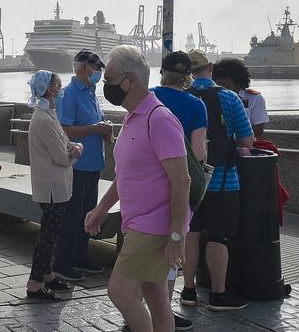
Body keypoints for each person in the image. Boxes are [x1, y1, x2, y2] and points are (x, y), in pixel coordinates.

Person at [84, 45, 194, 332]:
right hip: (138, 224)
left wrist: (176, 235)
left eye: (109, 79)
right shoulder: (134, 117)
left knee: (120, 291)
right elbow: (127, 176)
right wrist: (101, 209)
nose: (105, 85)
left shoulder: (160, 119)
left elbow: (182, 181)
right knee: (157, 299)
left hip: (153, 227)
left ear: (130, 80)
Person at [181, 50, 255, 312]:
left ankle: (188, 290)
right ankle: (218, 295)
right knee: (219, 237)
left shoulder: (182, 98)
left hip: (188, 181)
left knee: (191, 234)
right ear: (210, 68)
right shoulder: (229, 97)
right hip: (223, 180)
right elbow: (247, 140)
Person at [151, 51, 210, 299]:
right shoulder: (196, 105)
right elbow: (198, 151)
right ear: (187, 77)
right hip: (179, 184)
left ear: (163, 73)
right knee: (174, 246)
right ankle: (164, 308)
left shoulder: (149, 97)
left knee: (144, 244)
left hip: (147, 182)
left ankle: (137, 311)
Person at [54, 49, 114, 282]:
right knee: (71, 216)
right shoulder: (69, 94)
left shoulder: (90, 92)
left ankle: (80, 256)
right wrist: (94, 128)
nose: (99, 72)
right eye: (95, 68)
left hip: (93, 163)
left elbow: (91, 124)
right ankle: (62, 262)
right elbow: (65, 129)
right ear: (82, 68)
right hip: (77, 165)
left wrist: (104, 130)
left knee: (87, 214)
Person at [25, 70, 81, 301]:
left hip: (56, 186)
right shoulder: (43, 119)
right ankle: (35, 283)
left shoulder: (49, 114)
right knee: (48, 237)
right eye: (58, 85)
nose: (61, 89)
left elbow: (67, 143)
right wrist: (77, 150)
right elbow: (62, 155)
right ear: (49, 89)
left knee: (51, 233)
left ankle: (46, 275)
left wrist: (73, 147)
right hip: (51, 189)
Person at [211, 58, 268, 138]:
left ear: (238, 81)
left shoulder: (255, 98)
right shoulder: (213, 97)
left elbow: (258, 129)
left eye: (227, 87)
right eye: (220, 86)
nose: (224, 91)